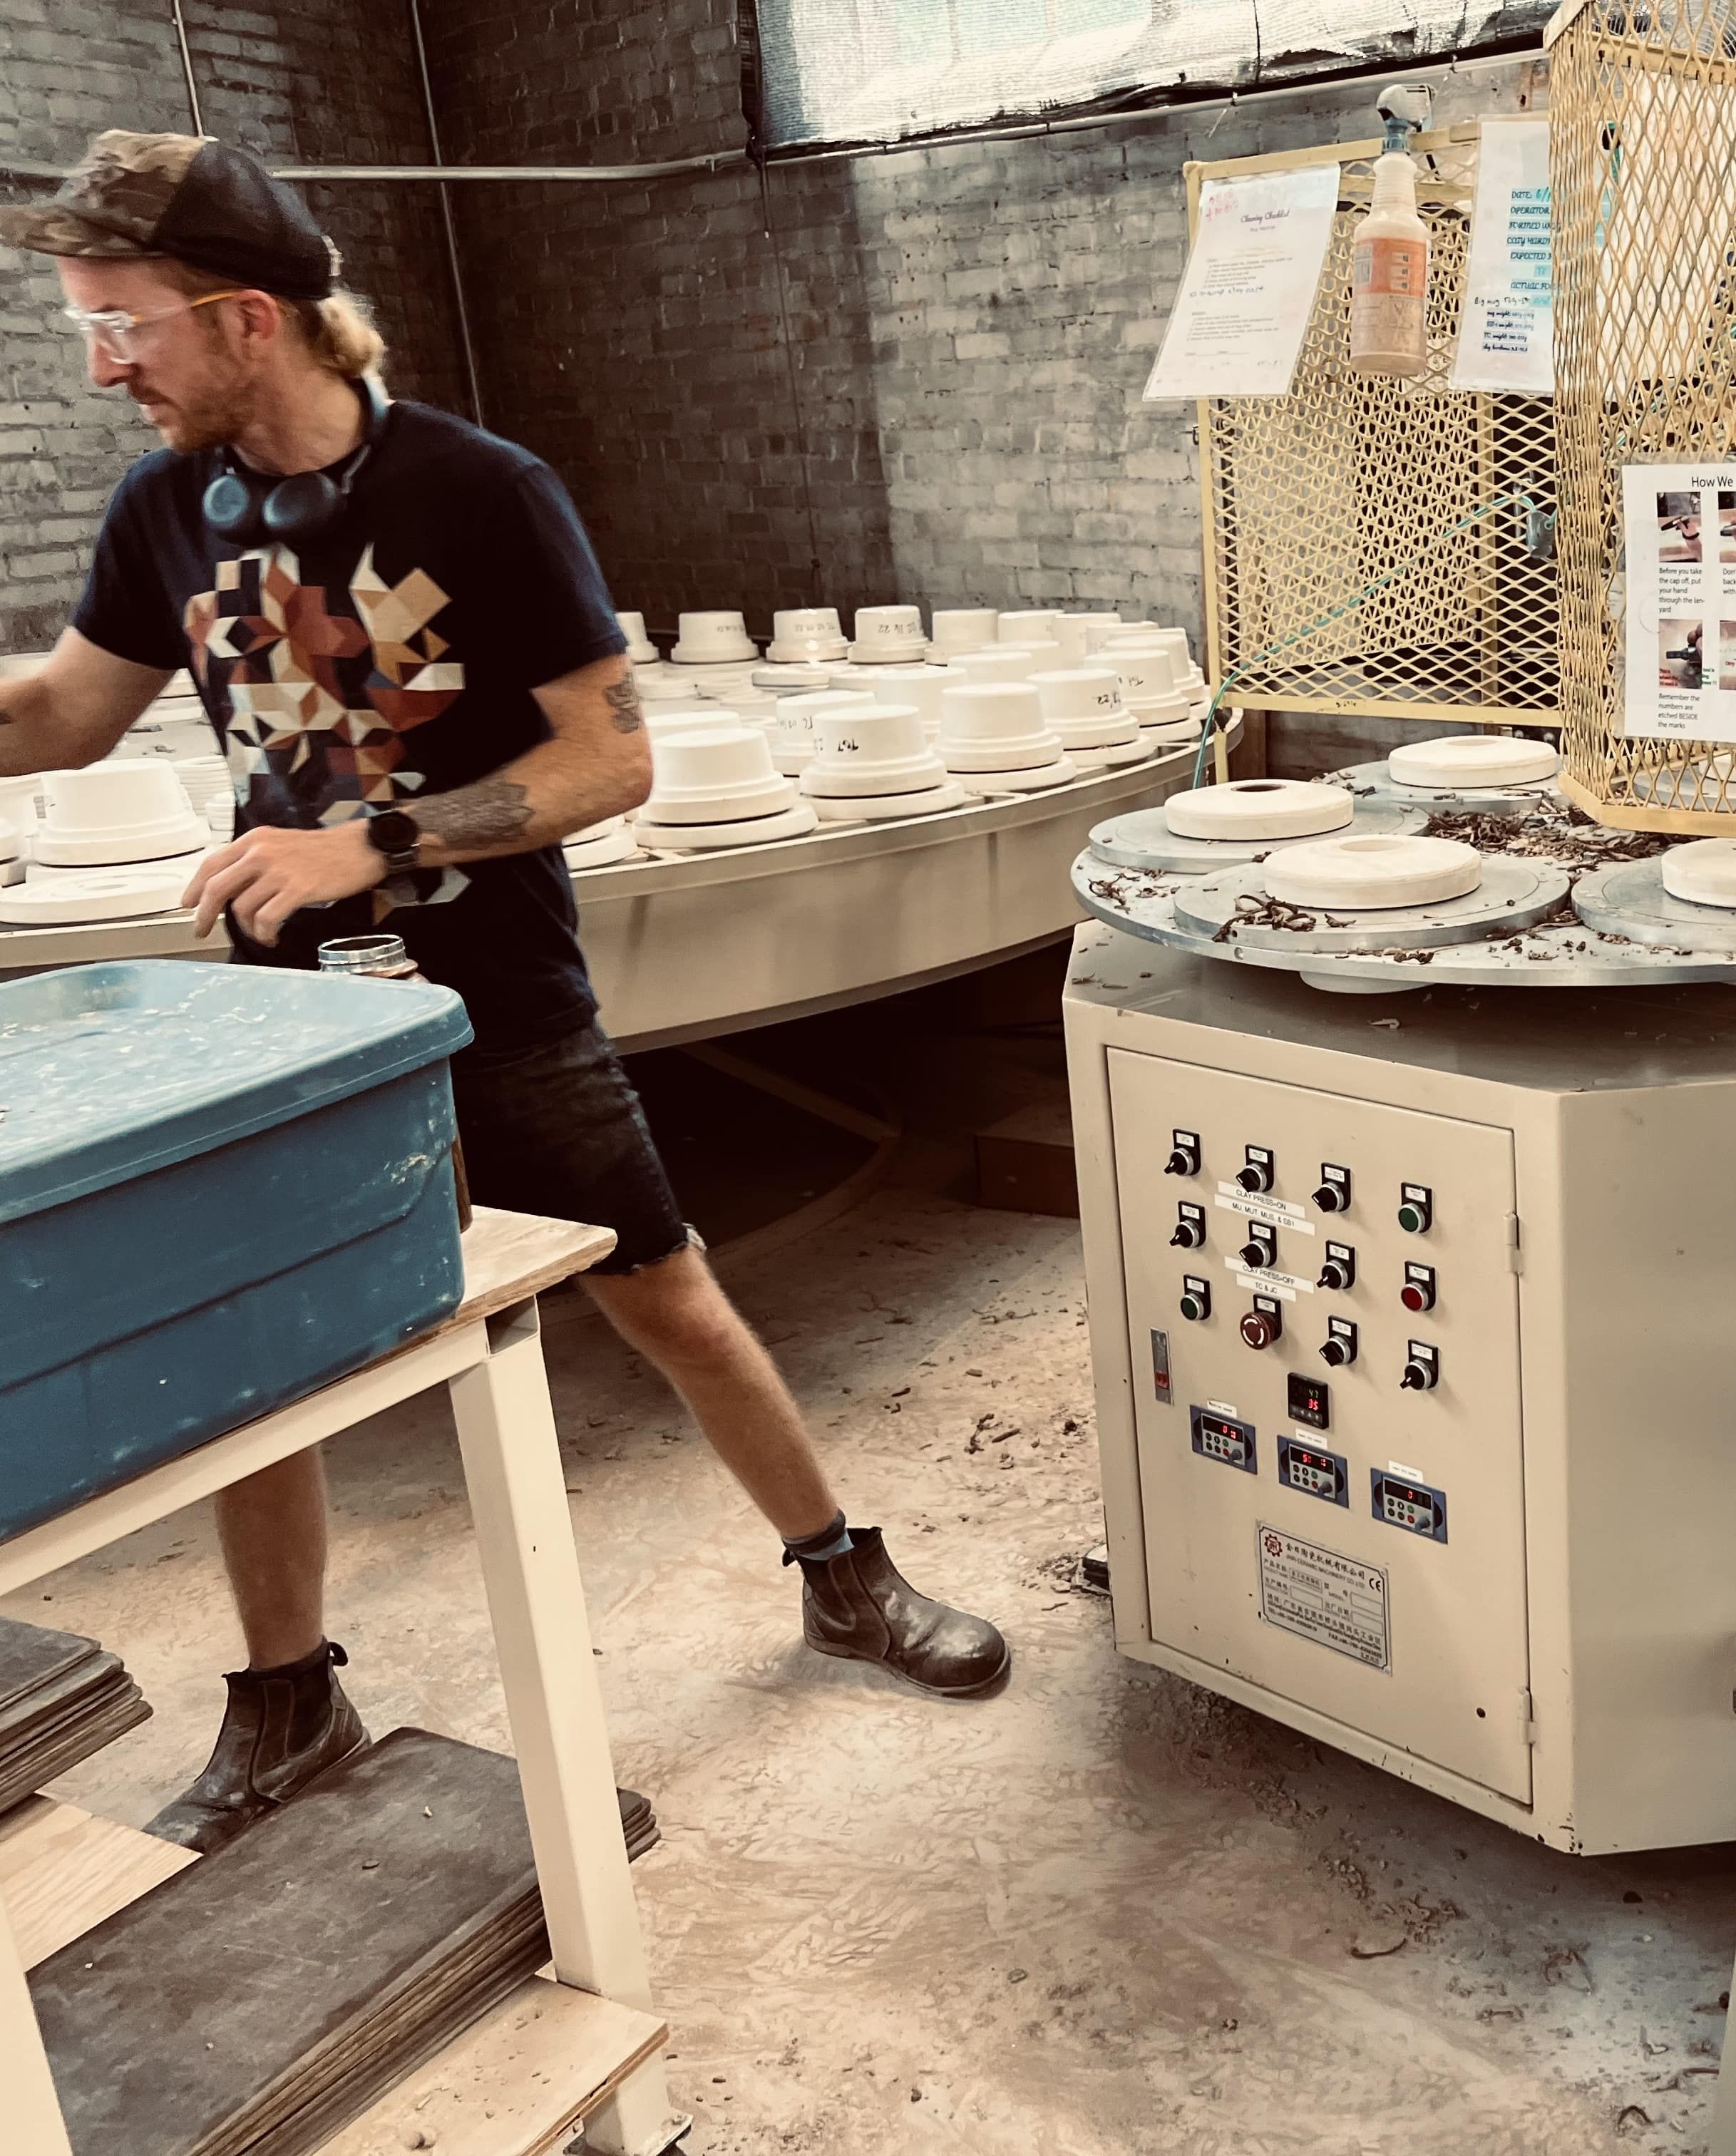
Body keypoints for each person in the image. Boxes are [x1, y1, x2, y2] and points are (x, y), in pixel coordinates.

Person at [0, 132, 1009, 1854]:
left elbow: (611, 757)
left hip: (494, 988)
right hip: (288, 1023)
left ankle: (844, 1575)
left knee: (659, 1291)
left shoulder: (477, 490)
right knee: (270, 1351)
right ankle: (290, 1696)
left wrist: (367, 840)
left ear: (247, 317)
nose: (105, 364)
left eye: (124, 324)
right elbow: (63, 722)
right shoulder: (162, 507)